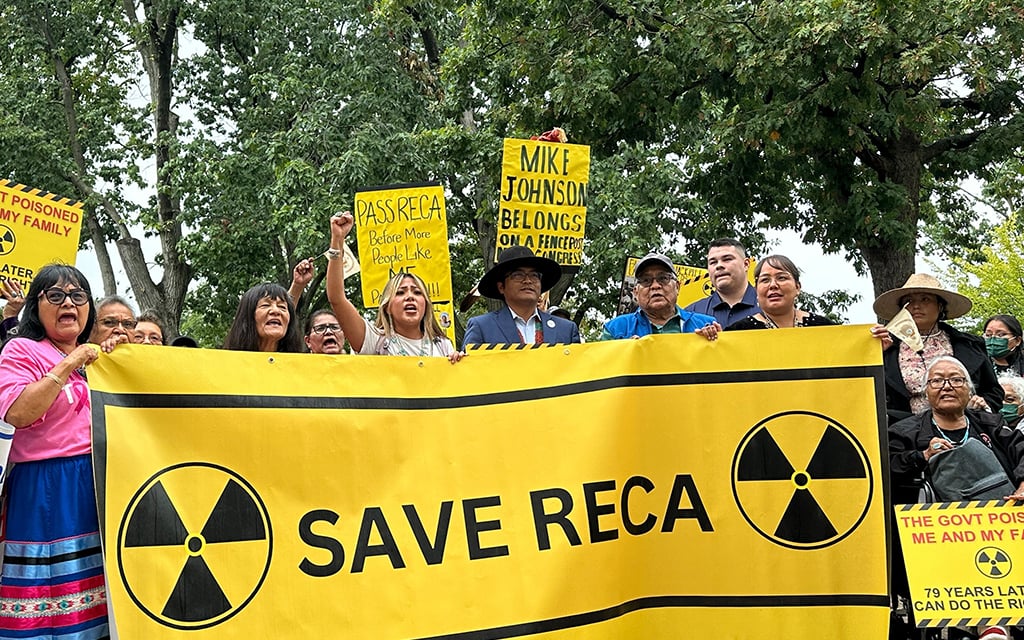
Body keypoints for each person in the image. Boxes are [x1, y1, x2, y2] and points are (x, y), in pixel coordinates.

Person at [0, 264, 115, 638]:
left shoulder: (101, 359)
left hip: (97, 481)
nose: (69, 303)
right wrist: (69, 362)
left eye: (78, 296)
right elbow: (18, 412)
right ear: (36, 305)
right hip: (46, 485)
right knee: (48, 595)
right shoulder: (22, 349)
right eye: (56, 295)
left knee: (99, 584)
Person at [889, 356, 1024, 640]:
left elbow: (1021, 450)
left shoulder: (991, 424)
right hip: (938, 531)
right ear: (926, 391)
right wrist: (921, 456)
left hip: (999, 522)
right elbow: (886, 467)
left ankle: (991, 624)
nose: (947, 386)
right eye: (937, 380)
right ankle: (991, 625)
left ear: (970, 389)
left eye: (956, 380)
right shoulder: (906, 431)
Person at [326, 213, 462, 361]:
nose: (410, 297)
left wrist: (459, 364)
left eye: (417, 292)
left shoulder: (443, 346)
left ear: (426, 305)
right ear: (387, 307)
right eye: (400, 293)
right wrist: (337, 240)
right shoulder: (375, 341)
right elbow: (336, 298)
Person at [874, 273, 1002, 418]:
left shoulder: (970, 345)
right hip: (904, 432)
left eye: (925, 299)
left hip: (966, 426)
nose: (916, 306)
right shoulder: (886, 346)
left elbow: (994, 392)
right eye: (908, 301)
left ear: (940, 306)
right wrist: (875, 354)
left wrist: (981, 404)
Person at [463, 246, 581, 347]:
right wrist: (458, 361)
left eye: (534, 275)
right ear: (501, 287)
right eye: (518, 275)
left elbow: (579, 371)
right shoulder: (482, 327)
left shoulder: (566, 329)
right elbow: (468, 369)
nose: (528, 280)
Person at [600, 252, 719, 340]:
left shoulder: (706, 325)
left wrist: (713, 342)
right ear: (635, 292)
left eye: (663, 278)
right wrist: (623, 354)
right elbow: (602, 369)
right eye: (646, 280)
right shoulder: (615, 329)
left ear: (677, 287)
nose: (655, 286)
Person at [725, 255, 836, 330]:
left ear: (797, 287)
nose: (773, 285)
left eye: (781, 278)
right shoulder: (738, 331)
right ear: (756, 291)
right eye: (765, 280)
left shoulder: (824, 327)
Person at [684, 238, 761, 327]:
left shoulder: (772, 307)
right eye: (713, 262)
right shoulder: (691, 314)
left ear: (746, 264)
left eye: (727, 259)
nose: (719, 265)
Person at [223, 283, 304, 353]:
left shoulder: (299, 366)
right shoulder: (225, 364)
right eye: (265, 305)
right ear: (248, 317)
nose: (276, 311)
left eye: (282, 307)